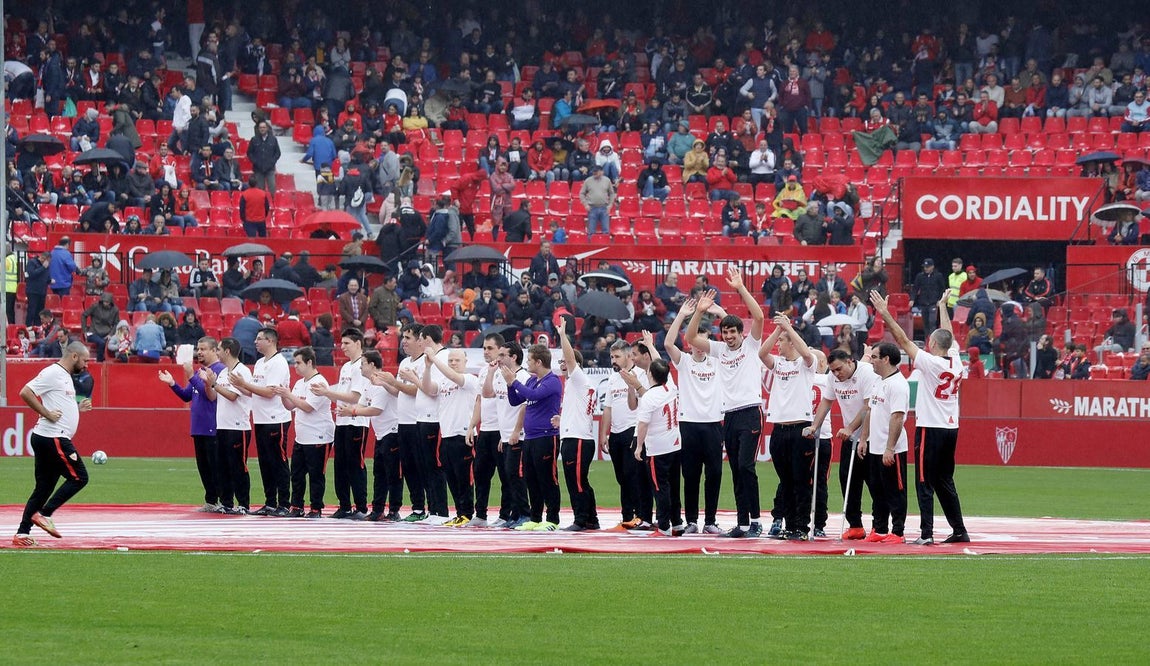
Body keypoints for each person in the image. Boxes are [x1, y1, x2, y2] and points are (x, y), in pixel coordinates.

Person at [873, 289, 970, 544]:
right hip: (951, 428)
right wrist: (942, 306)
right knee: (945, 480)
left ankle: (926, 533)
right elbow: (949, 335)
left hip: (931, 427)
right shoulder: (956, 361)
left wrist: (885, 313)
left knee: (924, 481)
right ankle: (959, 529)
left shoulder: (931, 362)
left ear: (933, 345)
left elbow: (903, 340)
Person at [684, 266, 766, 538]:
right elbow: (690, 338)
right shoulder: (719, 350)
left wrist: (741, 288)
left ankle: (755, 521)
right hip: (728, 416)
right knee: (735, 470)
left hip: (750, 412)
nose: (730, 337)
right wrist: (699, 311)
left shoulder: (751, 346)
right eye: (726, 333)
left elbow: (759, 315)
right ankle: (743, 524)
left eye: (733, 333)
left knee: (746, 466)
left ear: (741, 333)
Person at [13, 342, 93, 546]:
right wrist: (46, 413)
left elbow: (58, 403)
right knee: (79, 477)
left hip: (48, 436)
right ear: (74, 356)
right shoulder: (53, 373)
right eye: (85, 360)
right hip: (53, 437)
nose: (86, 365)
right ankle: (44, 513)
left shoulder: (64, 376)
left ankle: (22, 533)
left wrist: (77, 408)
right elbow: (25, 392)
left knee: (43, 488)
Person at [662, 302, 723, 534]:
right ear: (689, 342)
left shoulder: (717, 362)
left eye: (704, 342)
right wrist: (681, 315)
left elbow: (739, 346)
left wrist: (720, 314)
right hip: (688, 425)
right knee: (691, 476)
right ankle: (692, 521)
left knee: (715, 473)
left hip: (713, 424)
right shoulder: (684, 361)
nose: (700, 347)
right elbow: (668, 343)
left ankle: (710, 521)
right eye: (695, 341)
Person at [758, 313, 818, 541]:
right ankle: (790, 524)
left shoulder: (806, 364)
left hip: (800, 427)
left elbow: (805, 352)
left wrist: (789, 329)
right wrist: (777, 331)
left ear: (791, 341)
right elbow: (762, 353)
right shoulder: (778, 364)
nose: (778, 345)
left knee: (801, 480)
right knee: (786, 480)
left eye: (782, 341)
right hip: (779, 429)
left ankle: (802, 526)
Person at [228, 327, 292, 516]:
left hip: (275, 418)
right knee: (265, 462)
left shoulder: (278, 363)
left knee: (278, 461)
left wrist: (245, 384)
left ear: (270, 341)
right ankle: (270, 501)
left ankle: (284, 503)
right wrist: (240, 385)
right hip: (261, 418)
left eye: (259, 339)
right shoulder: (259, 363)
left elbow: (270, 392)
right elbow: (255, 391)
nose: (255, 342)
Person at [159, 337, 225, 512]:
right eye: (198, 348)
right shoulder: (200, 371)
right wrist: (172, 383)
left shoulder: (219, 370)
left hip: (212, 426)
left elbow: (208, 394)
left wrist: (190, 375)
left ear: (214, 351)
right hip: (199, 427)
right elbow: (187, 395)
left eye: (203, 349)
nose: (199, 352)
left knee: (215, 466)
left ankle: (222, 501)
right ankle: (211, 501)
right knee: (203, 467)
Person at [311, 329, 370, 519]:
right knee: (340, 464)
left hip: (356, 420)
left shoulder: (361, 365)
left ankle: (361, 507)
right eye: (342, 343)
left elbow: (355, 396)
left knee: (355, 464)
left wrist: (327, 393)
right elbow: (344, 393)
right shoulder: (346, 367)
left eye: (346, 343)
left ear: (358, 343)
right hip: (342, 420)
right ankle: (344, 505)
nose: (342, 347)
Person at [504, 344, 563, 531]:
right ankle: (535, 518)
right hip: (529, 437)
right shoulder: (531, 380)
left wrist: (514, 382)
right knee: (531, 479)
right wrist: (509, 384)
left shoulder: (552, 381)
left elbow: (534, 395)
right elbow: (515, 400)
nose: (527, 363)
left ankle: (552, 519)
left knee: (548, 478)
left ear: (539, 362)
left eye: (529, 360)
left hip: (546, 436)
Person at [857, 341, 911, 544]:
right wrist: (864, 438)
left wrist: (890, 448)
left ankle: (898, 532)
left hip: (892, 449)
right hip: (875, 446)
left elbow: (897, 417)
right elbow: (870, 410)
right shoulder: (878, 381)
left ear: (886, 359)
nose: (871, 361)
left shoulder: (898, 385)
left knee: (895, 491)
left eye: (875, 357)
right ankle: (879, 528)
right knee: (877, 490)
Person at [273, 346, 333, 518]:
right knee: (297, 474)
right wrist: (284, 395)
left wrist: (289, 395)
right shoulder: (300, 383)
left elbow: (307, 407)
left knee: (316, 475)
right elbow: (290, 406)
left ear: (309, 362)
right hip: (302, 436)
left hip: (318, 435)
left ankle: (316, 508)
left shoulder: (319, 383)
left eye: (298, 363)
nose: (295, 366)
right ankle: (297, 506)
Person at [424, 348, 482, 526]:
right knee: (451, 476)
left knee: (464, 477)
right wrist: (427, 368)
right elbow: (428, 388)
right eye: (451, 360)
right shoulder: (443, 381)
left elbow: (455, 377)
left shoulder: (470, 380)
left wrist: (435, 359)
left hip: (464, 435)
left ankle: (467, 513)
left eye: (457, 360)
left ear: (465, 362)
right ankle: (459, 512)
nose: (453, 363)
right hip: (447, 433)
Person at [599, 339, 652, 531]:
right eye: (612, 356)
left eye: (617, 356)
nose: (613, 360)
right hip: (616, 432)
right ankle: (627, 515)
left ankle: (640, 514)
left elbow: (643, 402)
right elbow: (607, 407)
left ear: (628, 356)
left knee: (633, 475)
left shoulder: (640, 375)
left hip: (633, 429)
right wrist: (604, 433)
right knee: (621, 477)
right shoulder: (613, 378)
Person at [403, 325, 451, 524]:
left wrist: (413, 378)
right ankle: (432, 510)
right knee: (424, 467)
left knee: (434, 467)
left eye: (420, 339)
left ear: (428, 339)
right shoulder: (429, 359)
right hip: (421, 418)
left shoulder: (443, 357)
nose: (418, 343)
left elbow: (432, 390)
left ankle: (440, 511)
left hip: (434, 419)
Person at [554, 323, 599, 531]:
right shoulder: (578, 384)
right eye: (561, 361)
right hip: (578, 437)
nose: (563, 364)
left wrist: (563, 335)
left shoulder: (578, 378)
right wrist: (561, 420)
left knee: (576, 482)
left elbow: (571, 358)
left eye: (565, 361)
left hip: (578, 439)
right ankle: (591, 519)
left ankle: (580, 519)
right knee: (581, 481)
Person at [633, 358, 684, 537]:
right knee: (674, 485)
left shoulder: (649, 397)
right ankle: (677, 522)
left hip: (657, 449)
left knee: (660, 487)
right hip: (675, 444)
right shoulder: (671, 387)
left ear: (650, 375)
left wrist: (639, 446)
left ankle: (663, 525)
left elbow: (643, 425)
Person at [206, 338, 253, 513]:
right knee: (223, 465)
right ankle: (226, 502)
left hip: (238, 426)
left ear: (227, 351)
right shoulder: (224, 372)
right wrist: (209, 383)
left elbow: (233, 396)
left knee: (238, 466)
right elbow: (214, 396)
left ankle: (243, 504)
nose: (216, 352)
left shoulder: (242, 371)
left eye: (218, 349)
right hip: (223, 425)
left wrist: (214, 384)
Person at [911, 258, 947, 338]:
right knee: (925, 323)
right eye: (925, 267)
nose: (925, 268)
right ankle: (927, 339)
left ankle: (933, 339)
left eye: (927, 267)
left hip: (933, 302)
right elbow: (915, 288)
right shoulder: (920, 276)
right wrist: (912, 299)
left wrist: (940, 300)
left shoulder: (938, 276)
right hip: (923, 302)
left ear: (932, 267)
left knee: (932, 322)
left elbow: (942, 289)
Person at [80, 292, 120, 362]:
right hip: (93, 332)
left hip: (106, 333)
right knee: (101, 343)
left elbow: (116, 323)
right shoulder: (95, 306)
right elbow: (84, 315)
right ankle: (99, 362)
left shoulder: (115, 310)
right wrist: (84, 330)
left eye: (107, 302)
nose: (105, 303)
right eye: (104, 301)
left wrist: (111, 334)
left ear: (110, 302)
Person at [579, 165, 616, 237]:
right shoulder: (588, 181)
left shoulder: (607, 180)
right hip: (592, 208)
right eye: (594, 171)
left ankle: (606, 246)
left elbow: (612, 193)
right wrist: (585, 204)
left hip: (604, 208)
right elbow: (581, 193)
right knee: (591, 232)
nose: (594, 173)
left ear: (602, 172)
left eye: (596, 171)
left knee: (606, 231)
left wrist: (610, 205)